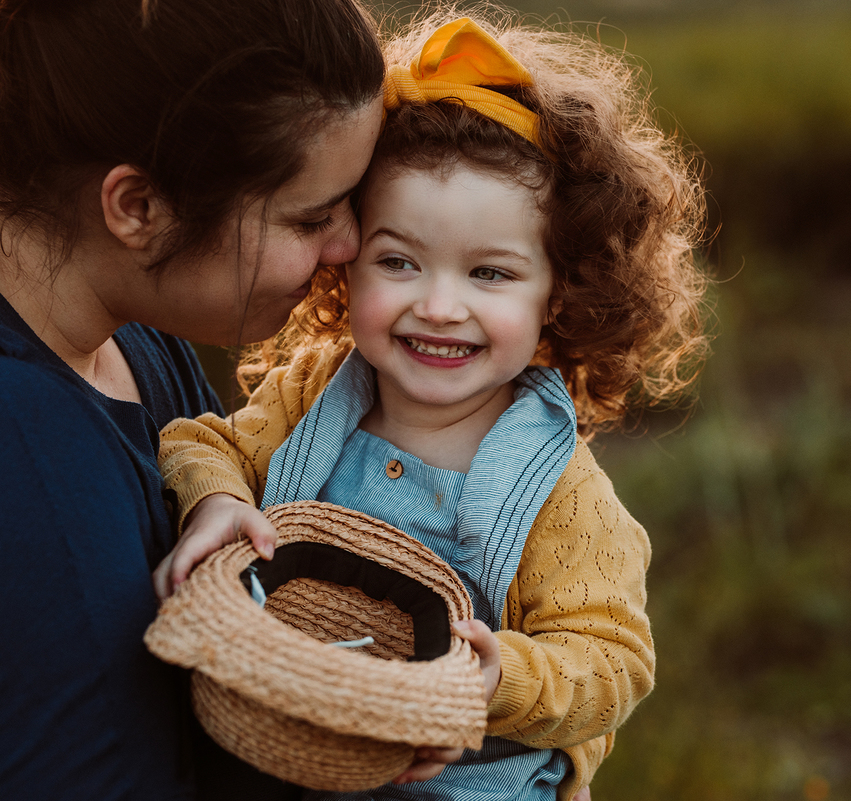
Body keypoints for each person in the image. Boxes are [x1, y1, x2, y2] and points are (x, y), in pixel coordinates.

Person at [154, 10, 710, 801]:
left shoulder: (559, 492)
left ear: (558, 293)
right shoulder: (317, 392)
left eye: (490, 274)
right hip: (292, 745)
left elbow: (611, 661)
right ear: (346, 263)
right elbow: (201, 442)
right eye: (400, 261)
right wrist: (215, 499)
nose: (440, 306)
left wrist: (501, 676)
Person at [0, 0, 385, 799]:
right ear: (138, 208)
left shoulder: (138, 342)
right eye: (311, 217)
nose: (349, 247)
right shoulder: (24, 459)